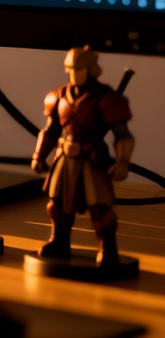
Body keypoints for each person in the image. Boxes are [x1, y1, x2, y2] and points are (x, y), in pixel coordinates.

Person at [31, 46, 134, 268]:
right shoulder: (58, 96)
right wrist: (39, 155)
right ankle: (59, 242)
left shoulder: (106, 98)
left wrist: (122, 162)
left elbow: (122, 135)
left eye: (79, 68)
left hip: (92, 158)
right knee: (57, 205)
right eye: (71, 68)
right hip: (65, 157)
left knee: (100, 208)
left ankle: (107, 249)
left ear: (91, 69)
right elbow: (50, 130)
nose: (75, 73)